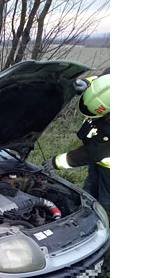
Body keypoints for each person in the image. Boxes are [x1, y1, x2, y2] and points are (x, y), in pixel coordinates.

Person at [42, 68, 110, 216]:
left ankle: (103, 228)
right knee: (90, 191)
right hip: (99, 161)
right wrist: (86, 83)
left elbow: (92, 152)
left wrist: (56, 162)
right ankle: (86, 211)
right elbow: (100, 79)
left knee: (107, 203)